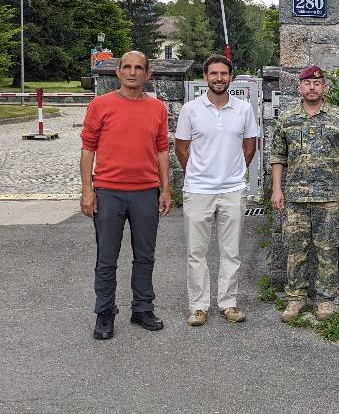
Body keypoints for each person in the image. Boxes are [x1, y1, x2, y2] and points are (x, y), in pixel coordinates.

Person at [80, 51, 172, 340]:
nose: (133, 72)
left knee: (145, 255)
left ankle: (142, 308)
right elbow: (87, 148)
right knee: (106, 258)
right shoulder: (100, 105)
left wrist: (166, 189)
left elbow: (161, 150)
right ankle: (105, 313)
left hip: (146, 191)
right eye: (127, 67)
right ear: (118, 72)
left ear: (148, 74)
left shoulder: (158, 109)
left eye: (139, 68)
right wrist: (87, 189)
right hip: (109, 192)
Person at [270, 65, 339, 323]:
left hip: (330, 197)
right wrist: (277, 189)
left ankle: (325, 300)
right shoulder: (287, 118)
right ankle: (296, 299)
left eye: (317, 83)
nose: (312, 87)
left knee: (327, 250)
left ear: (324, 88)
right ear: (300, 87)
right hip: (296, 198)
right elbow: (278, 156)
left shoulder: (338, 116)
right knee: (295, 251)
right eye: (307, 83)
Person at [174, 55, 260, 326]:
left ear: (231, 77)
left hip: (232, 190)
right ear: (205, 77)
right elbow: (181, 148)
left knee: (230, 251)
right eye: (214, 74)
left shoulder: (244, 109)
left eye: (224, 73)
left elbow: (250, 146)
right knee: (196, 252)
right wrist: (200, 173)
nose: (219, 78)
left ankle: (228, 303)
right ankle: (198, 306)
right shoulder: (191, 109)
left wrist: (232, 172)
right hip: (198, 190)